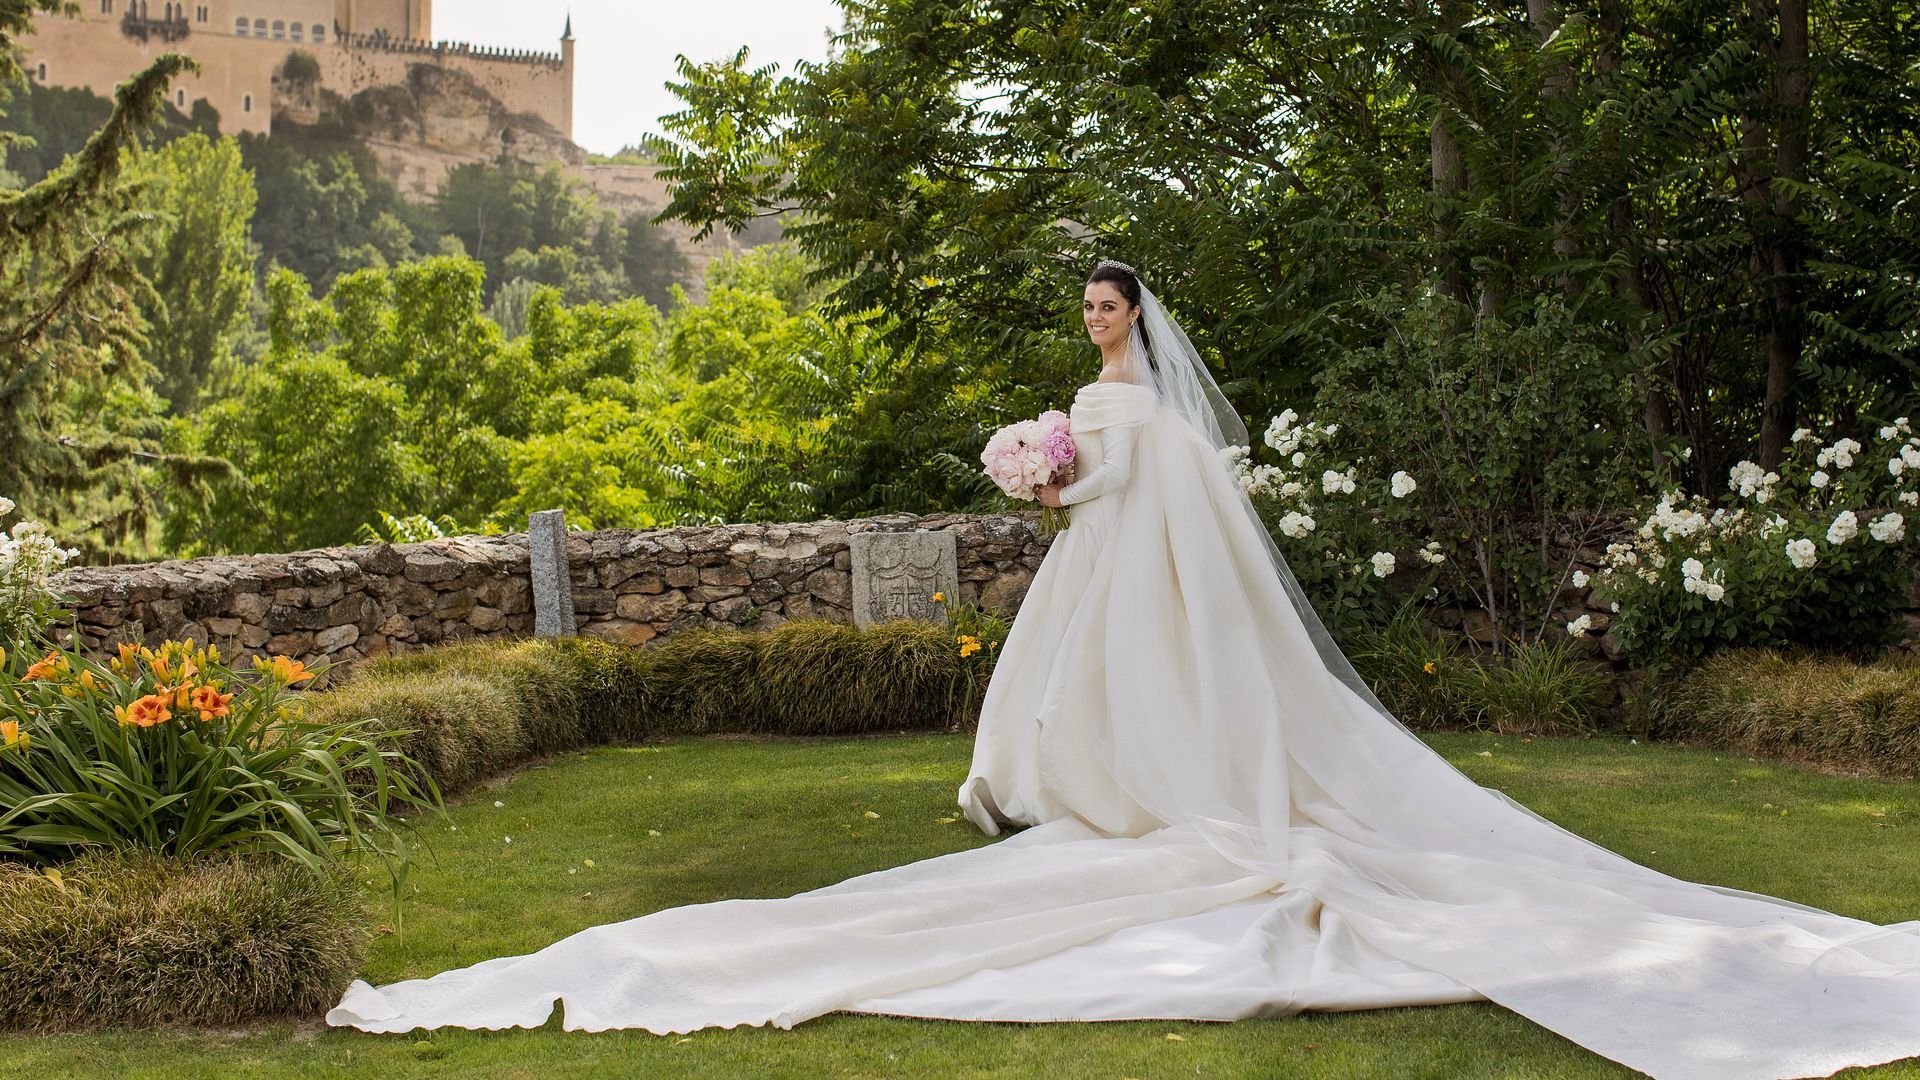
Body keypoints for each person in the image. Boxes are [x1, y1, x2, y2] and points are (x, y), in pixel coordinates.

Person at [331, 261, 1920, 1080]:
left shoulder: (1132, 411)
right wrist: (1044, 470)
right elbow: (1103, 486)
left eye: (1106, 305)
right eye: (1086, 305)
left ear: (1133, 320)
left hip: (1105, 572)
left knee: (1079, 712)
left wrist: (1042, 477)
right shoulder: (1121, 404)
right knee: (1057, 699)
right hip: (1099, 573)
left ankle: (1090, 797)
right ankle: (1059, 789)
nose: (1093, 319)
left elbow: (1109, 487)